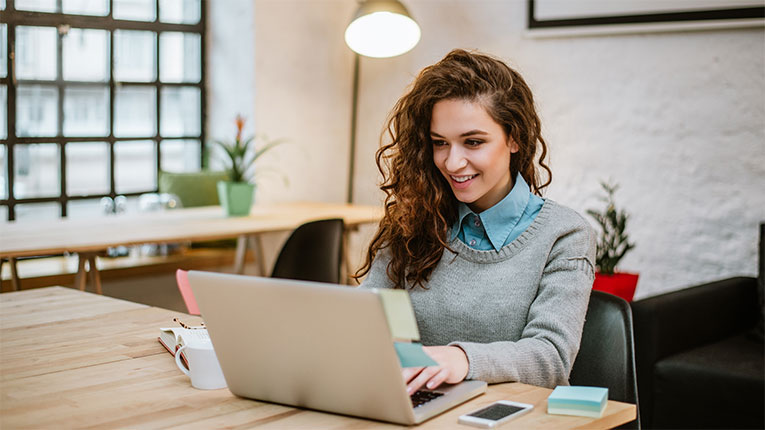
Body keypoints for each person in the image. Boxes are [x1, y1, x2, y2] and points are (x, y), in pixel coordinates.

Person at [356, 49, 596, 395]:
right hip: (419, 410)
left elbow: (550, 357)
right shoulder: (415, 220)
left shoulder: (565, 235)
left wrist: (460, 359)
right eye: (440, 143)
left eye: (473, 142)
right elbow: (366, 318)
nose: (453, 163)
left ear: (514, 138)